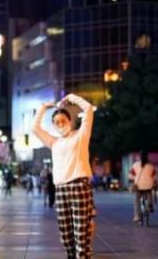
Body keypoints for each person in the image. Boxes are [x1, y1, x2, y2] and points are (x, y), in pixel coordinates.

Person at [32, 94, 95, 259]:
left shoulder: (81, 136)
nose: (60, 124)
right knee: (66, 234)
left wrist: (72, 98)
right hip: (61, 189)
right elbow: (35, 129)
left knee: (81, 232)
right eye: (57, 122)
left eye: (63, 121)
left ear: (70, 121)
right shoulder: (54, 142)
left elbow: (88, 109)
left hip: (79, 186)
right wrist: (43, 108)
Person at [128, 149, 157, 223]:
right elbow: (154, 177)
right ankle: (150, 205)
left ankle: (137, 216)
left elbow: (131, 176)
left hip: (138, 186)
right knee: (149, 192)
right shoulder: (151, 166)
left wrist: (132, 180)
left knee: (137, 200)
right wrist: (154, 181)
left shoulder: (135, 165)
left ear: (140, 156)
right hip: (148, 185)